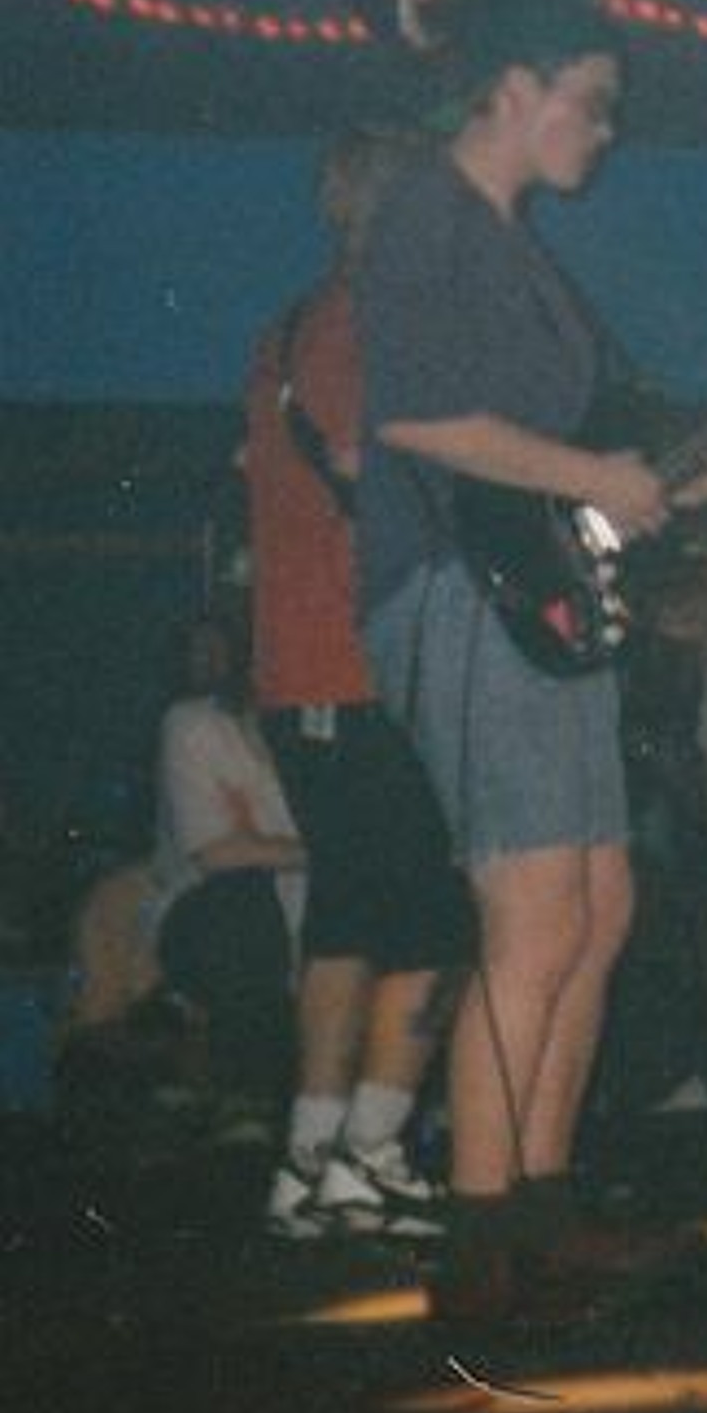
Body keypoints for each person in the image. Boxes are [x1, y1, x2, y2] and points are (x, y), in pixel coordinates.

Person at [354, 0, 707, 1329]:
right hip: (459, 591)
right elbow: (416, 420)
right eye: (591, 100)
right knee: (534, 912)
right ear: (514, 89)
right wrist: (595, 475)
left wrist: (689, 470)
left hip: (536, 595)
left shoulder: (513, 248)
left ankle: (541, 1207)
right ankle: (480, 1247)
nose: (606, 127)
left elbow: (583, 463)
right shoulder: (427, 213)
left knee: (596, 903)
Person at [242, 127, 474, 1241]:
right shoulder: (367, 326)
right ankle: (370, 1152)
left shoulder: (293, 326)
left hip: (306, 674)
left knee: (350, 915)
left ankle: (315, 1161)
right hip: (361, 667)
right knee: (433, 920)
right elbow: (373, 482)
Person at [149, 606, 305, 1108]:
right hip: (208, 915)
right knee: (242, 897)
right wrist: (313, 853)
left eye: (217, 648)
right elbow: (217, 854)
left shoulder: (309, 731)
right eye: (197, 651)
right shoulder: (193, 725)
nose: (208, 661)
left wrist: (265, 844)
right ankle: (246, 1099)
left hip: (304, 912)